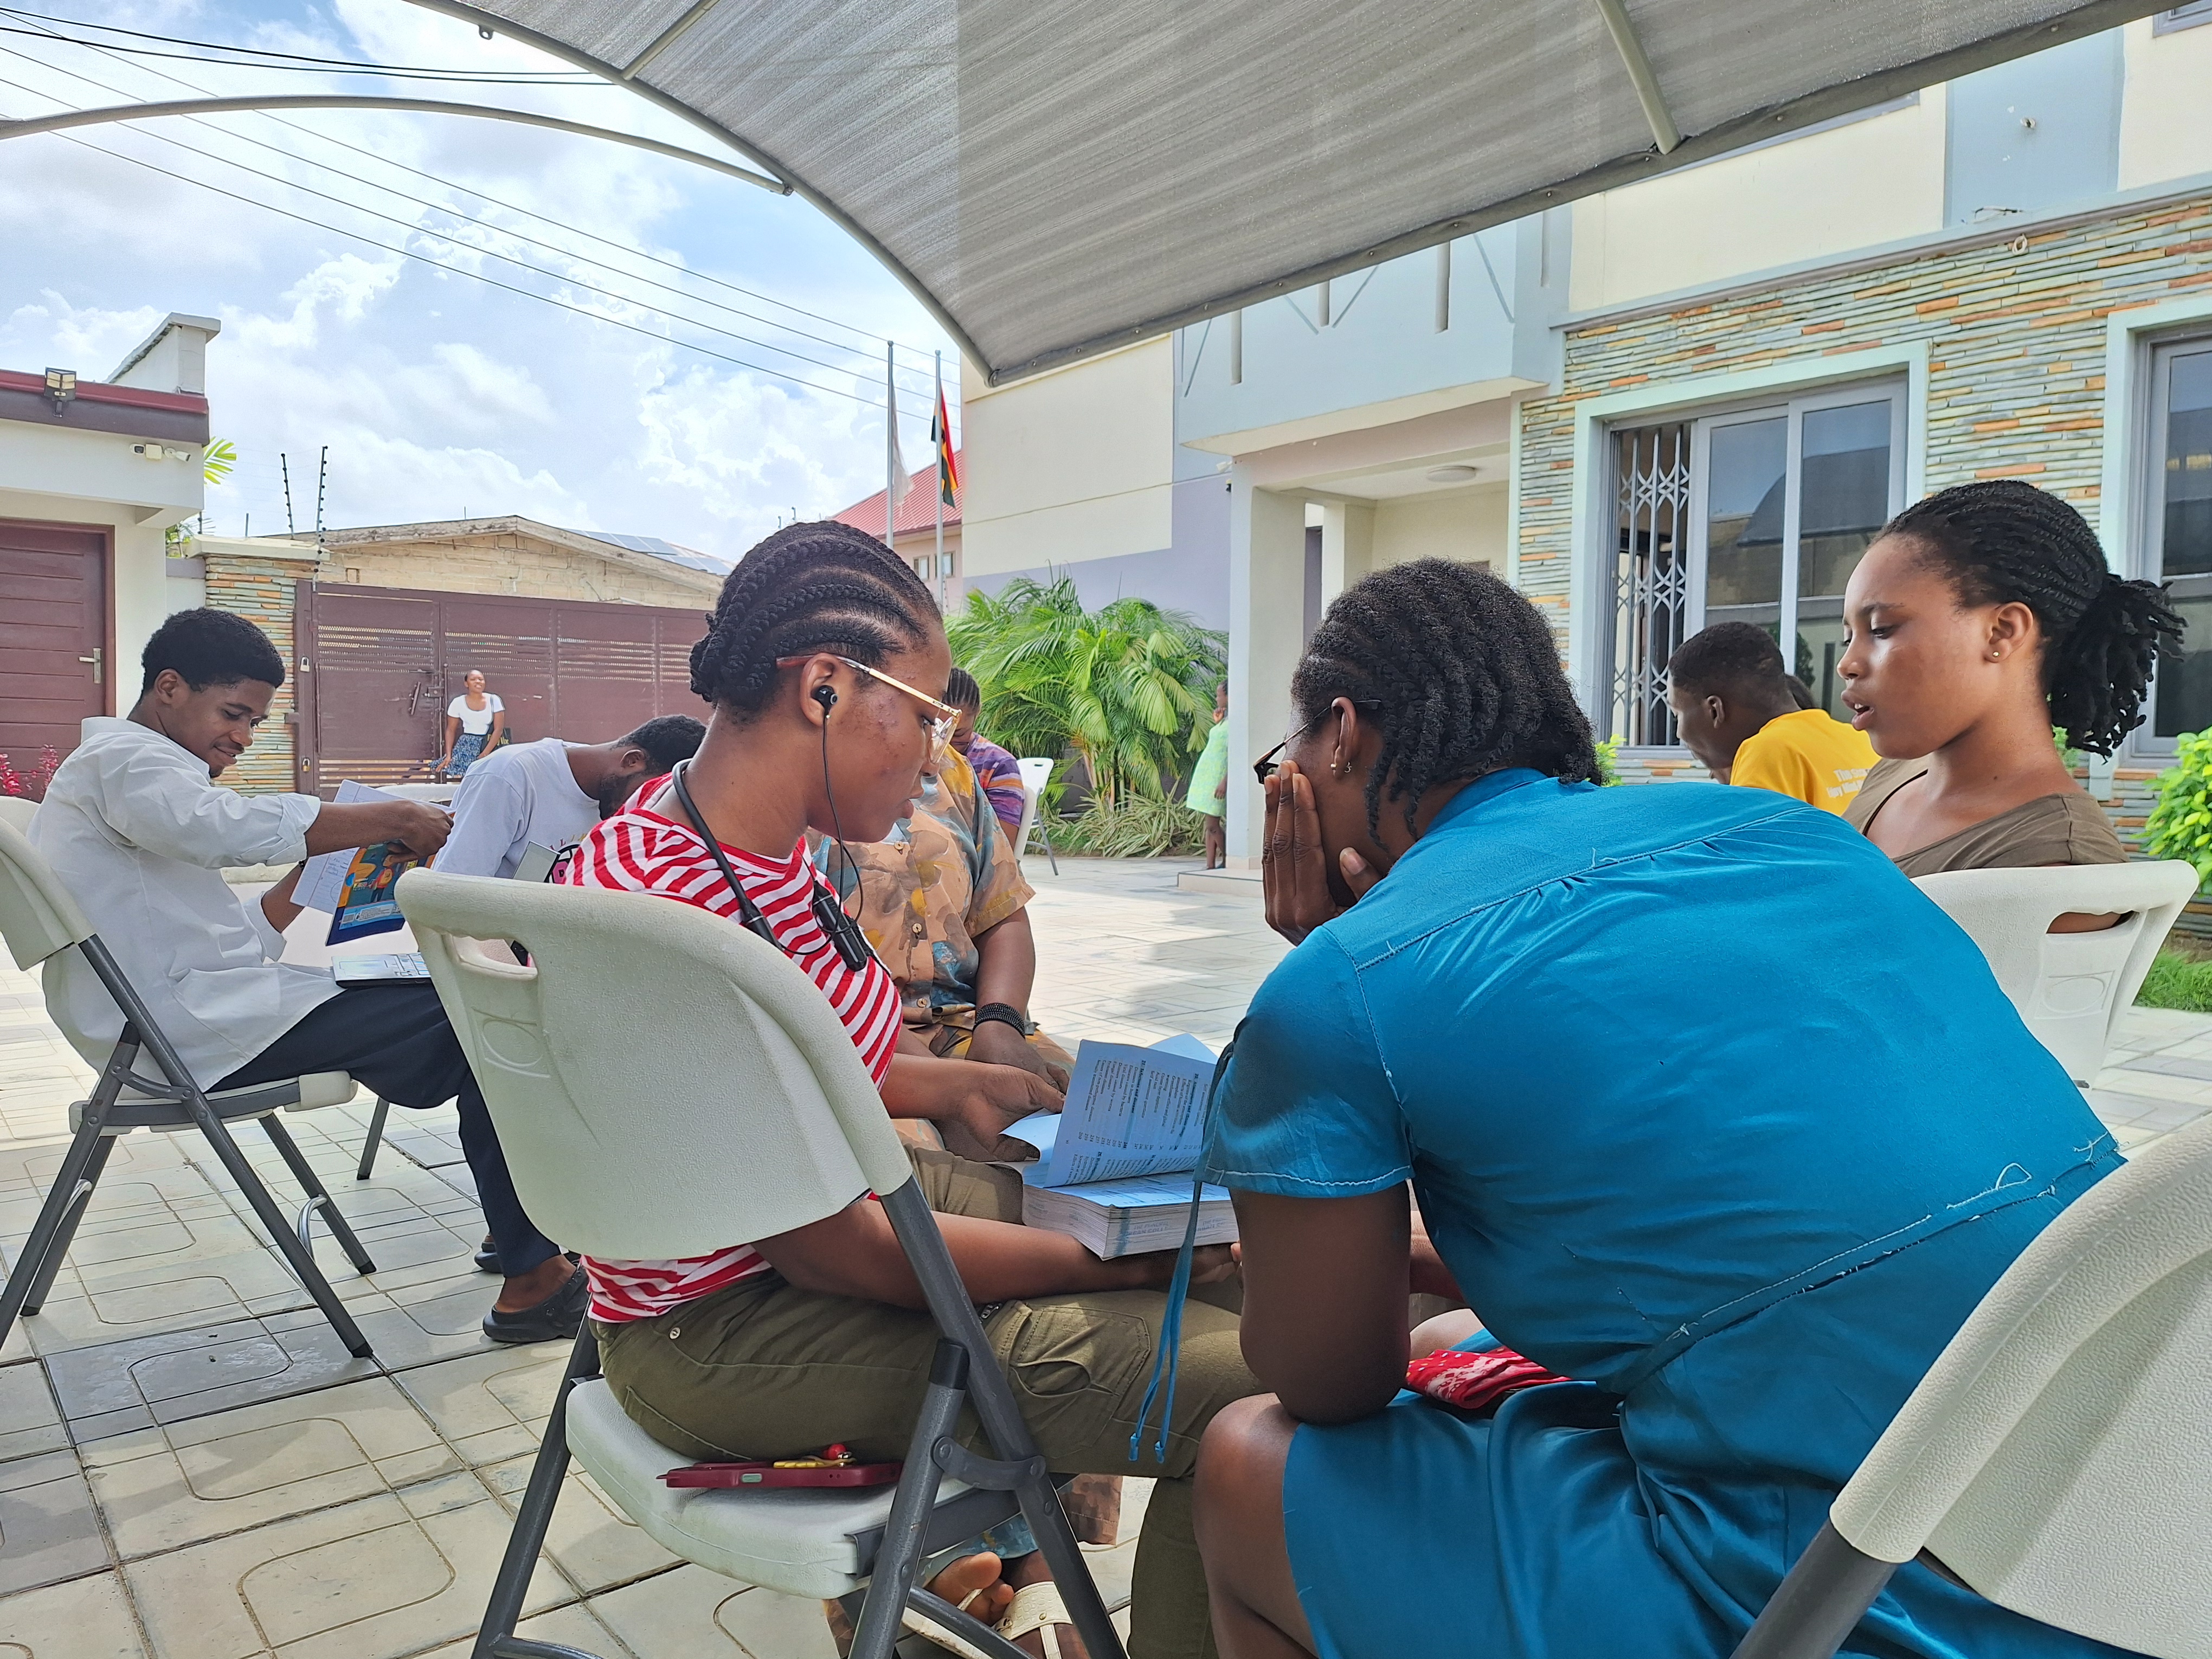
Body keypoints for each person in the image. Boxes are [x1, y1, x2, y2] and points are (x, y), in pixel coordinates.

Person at [1186, 559, 2127, 1659]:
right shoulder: (1807, 839)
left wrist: (1331, 976)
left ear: (1341, 734)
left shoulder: (1341, 990)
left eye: (1282, 756)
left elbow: (1328, 1381)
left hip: (1853, 1598)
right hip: (2121, 1533)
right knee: (1461, 1341)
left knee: (1250, 1460)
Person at [560, 520, 1254, 1659]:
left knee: (1216, 1279)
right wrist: (1101, 1260)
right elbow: (835, 1251)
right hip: (727, 1332)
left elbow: (791, 1065)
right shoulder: (686, 917)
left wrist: (954, 1081)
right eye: (927, 716)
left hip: (782, 1263)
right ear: (825, 688)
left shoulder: (721, 852)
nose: (942, 756)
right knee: (1246, 1386)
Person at [31, 609, 585, 1345]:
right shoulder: (127, 763)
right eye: (233, 713)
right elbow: (218, 830)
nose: (241, 736)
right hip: (183, 1032)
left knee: (467, 1012)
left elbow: (220, 932)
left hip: (191, 1014)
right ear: (169, 688)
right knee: (489, 1018)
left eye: (255, 723)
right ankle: (530, 1271)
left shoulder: (133, 775)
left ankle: (522, 1243)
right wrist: (380, 816)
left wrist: (315, 876)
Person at [1840, 479, 2183, 879]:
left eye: (1881, 629)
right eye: (1848, 637)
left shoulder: (2054, 861)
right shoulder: (1894, 776)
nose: (1847, 663)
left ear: (2003, 631)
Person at [819, 741, 1075, 1121]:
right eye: (924, 711)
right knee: (920, 1162)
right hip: (857, 1042)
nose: (933, 741)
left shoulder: (953, 772)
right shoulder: (804, 787)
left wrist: (1001, 1025)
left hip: (970, 1023)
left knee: (1084, 1118)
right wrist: (955, 1088)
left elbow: (1002, 913)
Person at [438, 716, 706, 882]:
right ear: (632, 761)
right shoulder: (510, 775)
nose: (647, 807)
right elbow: (451, 893)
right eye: (649, 792)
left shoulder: (623, 807)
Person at [1664, 621, 1876, 810]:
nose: (1679, 733)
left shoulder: (1764, 752)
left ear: (1715, 710)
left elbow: (1751, 853)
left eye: (1677, 715)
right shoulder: (1860, 738)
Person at [947, 666, 1027, 836]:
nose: (946, 745)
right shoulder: (918, 755)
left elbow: (1002, 848)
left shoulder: (999, 766)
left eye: (959, 733)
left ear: (978, 712)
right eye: (938, 731)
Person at [1186, 681, 1230, 868]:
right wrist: (1218, 723)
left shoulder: (1236, 723)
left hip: (1218, 779)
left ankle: (1230, 858)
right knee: (1209, 825)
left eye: (1219, 695)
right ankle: (1210, 864)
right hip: (1207, 778)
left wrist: (1225, 781)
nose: (1216, 698)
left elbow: (1234, 755)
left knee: (1213, 824)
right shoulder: (1224, 720)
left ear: (1229, 696)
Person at [436, 668, 506, 778]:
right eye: (473, 679)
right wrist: (449, 755)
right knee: (467, 777)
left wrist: (485, 754)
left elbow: (499, 729)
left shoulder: (494, 700)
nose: (478, 682)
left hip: (488, 743)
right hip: (467, 745)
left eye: (480, 679)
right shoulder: (458, 702)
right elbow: (450, 730)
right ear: (466, 684)